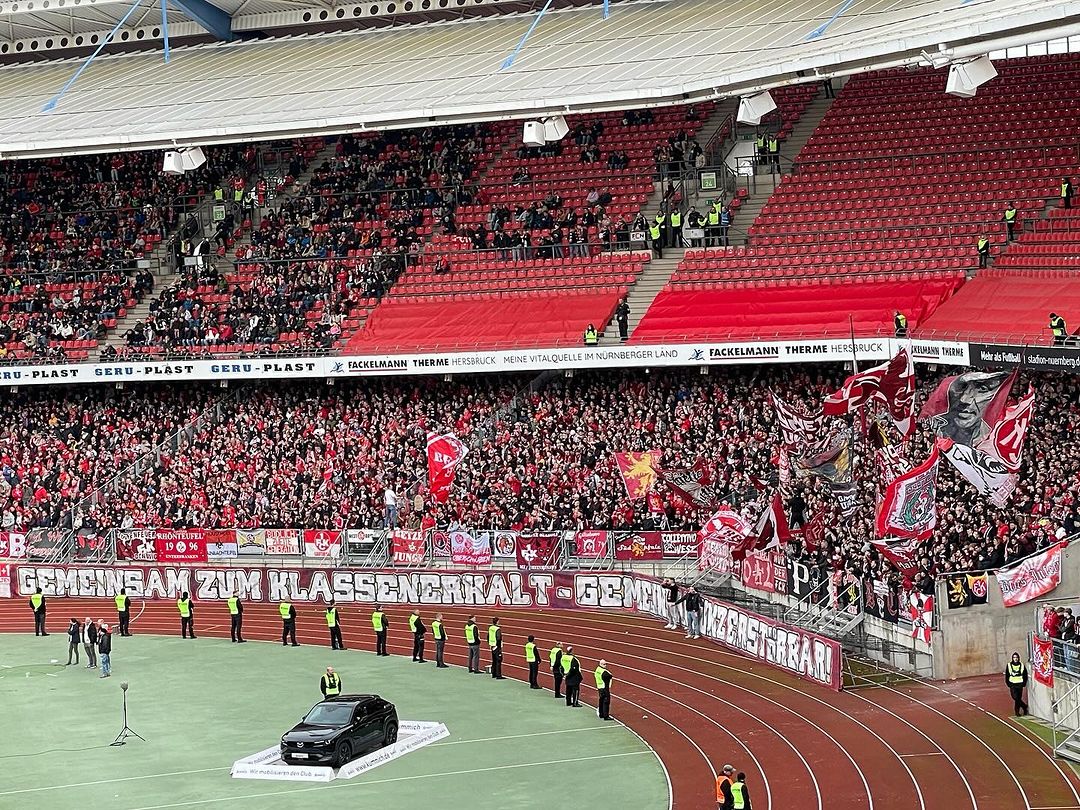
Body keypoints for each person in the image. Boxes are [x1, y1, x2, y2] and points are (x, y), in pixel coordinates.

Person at [1006, 652, 1029, 716]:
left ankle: (1017, 712)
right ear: (1012, 658)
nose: (1015, 659)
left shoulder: (1021, 665)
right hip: (1012, 684)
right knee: (1015, 698)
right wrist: (1008, 684)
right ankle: (1024, 706)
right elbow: (1007, 675)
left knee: (1018, 699)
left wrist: (1023, 683)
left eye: (1016, 657)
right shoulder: (1009, 665)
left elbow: (1025, 675)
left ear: (1018, 658)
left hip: (1020, 684)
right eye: (1014, 657)